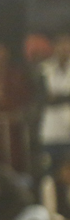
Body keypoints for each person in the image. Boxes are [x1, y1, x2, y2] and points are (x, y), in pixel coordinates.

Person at [37, 33, 70, 173]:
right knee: (50, 171)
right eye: (61, 43)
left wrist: (57, 98)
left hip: (68, 129)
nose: (64, 47)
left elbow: (52, 98)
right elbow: (42, 97)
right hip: (51, 130)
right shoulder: (44, 69)